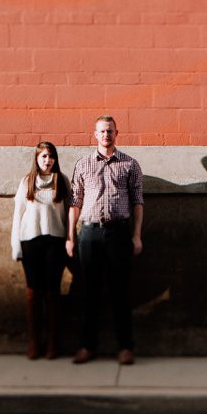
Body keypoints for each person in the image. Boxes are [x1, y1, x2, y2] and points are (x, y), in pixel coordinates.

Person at [67, 115, 144, 365]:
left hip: (119, 233)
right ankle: (87, 346)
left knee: (120, 291)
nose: (106, 135)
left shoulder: (130, 165)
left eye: (110, 131)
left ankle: (125, 347)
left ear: (116, 133)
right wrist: (70, 236)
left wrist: (136, 235)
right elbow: (75, 202)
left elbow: (138, 201)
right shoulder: (83, 164)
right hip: (89, 233)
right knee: (89, 291)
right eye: (102, 131)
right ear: (95, 134)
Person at [10, 141, 70, 360]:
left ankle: (53, 342)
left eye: (51, 156)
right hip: (31, 241)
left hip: (55, 241)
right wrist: (16, 246)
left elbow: (68, 215)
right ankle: (35, 341)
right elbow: (18, 214)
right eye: (44, 156)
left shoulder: (62, 182)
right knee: (33, 292)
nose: (47, 160)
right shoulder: (27, 182)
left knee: (52, 292)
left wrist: (69, 240)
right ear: (36, 159)